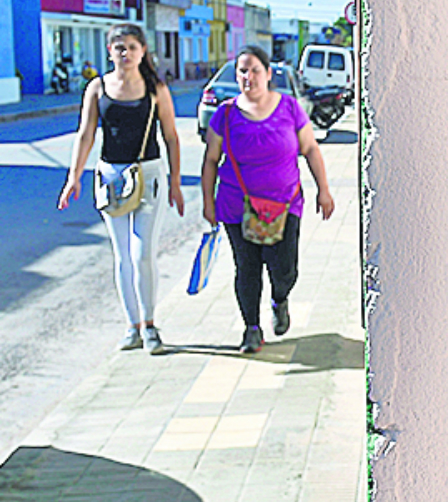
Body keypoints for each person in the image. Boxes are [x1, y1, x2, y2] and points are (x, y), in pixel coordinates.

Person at [58, 23, 185, 354]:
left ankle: (150, 324)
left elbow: (171, 136)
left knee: (142, 253)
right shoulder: (97, 88)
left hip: (149, 176)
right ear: (109, 51)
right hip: (111, 177)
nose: (125, 52)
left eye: (131, 46)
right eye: (119, 47)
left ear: (143, 51)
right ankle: (132, 326)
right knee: (122, 257)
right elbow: (85, 134)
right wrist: (74, 177)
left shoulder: (155, 88)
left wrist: (175, 182)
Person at [201, 46, 335, 354]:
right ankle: (251, 328)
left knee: (284, 267)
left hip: (286, 205)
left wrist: (323, 189)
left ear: (268, 73)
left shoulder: (289, 107)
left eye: (254, 70)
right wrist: (208, 202)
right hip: (237, 207)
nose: (249, 77)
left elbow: (311, 149)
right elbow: (210, 160)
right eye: (242, 71)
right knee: (246, 268)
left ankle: (280, 298)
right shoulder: (226, 114)